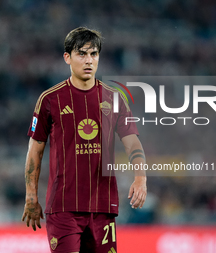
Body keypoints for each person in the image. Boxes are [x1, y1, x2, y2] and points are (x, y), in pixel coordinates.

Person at [22, 27, 147, 253]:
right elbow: (35, 151)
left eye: (94, 54)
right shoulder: (50, 99)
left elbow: (133, 143)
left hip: (103, 207)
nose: (89, 60)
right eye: (82, 54)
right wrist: (31, 196)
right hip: (63, 208)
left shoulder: (115, 99)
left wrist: (140, 177)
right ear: (67, 57)